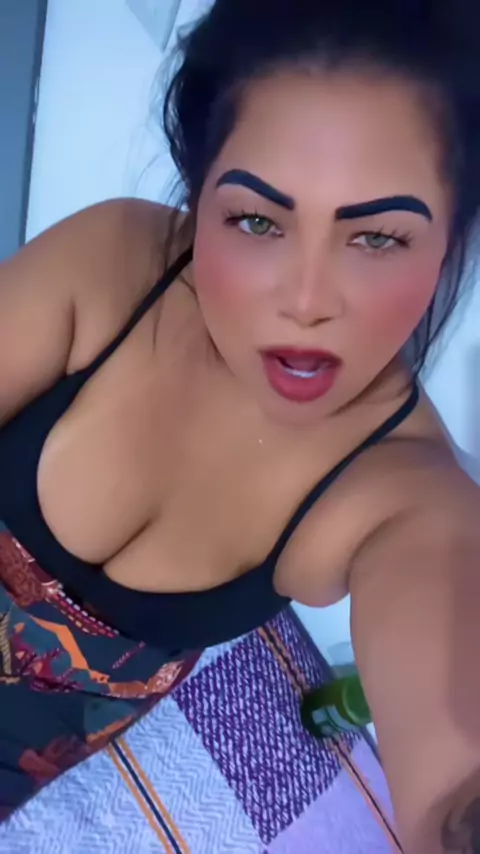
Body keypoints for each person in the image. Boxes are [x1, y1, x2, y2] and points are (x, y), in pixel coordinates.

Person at [0, 0, 479, 848]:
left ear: (450, 241)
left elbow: (456, 757)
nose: (306, 301)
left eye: (376, 238)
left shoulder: (402, 494)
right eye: (257, 220)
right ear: (200, 190)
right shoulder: (113, 268)